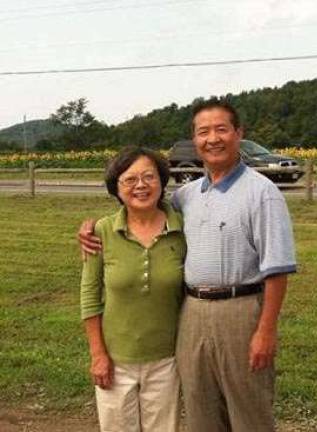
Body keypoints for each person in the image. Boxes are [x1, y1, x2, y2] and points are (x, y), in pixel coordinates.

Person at [79, 98, 296, 432]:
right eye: (203, 131)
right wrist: (91, 227)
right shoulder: (186, 197)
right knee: (200, 412)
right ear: (194, 140)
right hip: (191, 313)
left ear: (238, 133)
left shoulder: (262, 193)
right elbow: (142, 204)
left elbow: (278, 270)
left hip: (240, 311)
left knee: (248, 411)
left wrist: (265, 332)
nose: (213, 138)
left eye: (221, 129)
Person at [80, 147, 186, 432]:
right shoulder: (101, 231)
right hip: (115, 361)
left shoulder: (182, 229)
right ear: (116, 187)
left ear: (162, 182)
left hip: (167, 359)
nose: (141, 186)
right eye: (130, 179)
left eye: (149, 177)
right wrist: (98, 355)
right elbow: (90, 296)